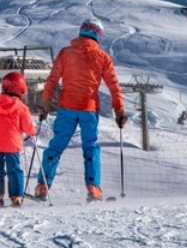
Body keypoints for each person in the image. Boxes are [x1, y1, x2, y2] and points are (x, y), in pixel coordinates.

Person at [35, 18, 127, 202]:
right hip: (89, 109)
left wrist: (45, 104)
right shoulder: (102, 57)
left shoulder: (66, 53)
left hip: (66, 107)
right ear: (98, 35)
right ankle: (93, 188)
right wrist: (119, 111)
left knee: (56, 146)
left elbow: (52, 80)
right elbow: (113, 86)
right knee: (90, 147)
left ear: (81, 31)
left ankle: (42, 186)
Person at [0, 71, 37, 207]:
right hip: (12, 145)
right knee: (14, 170)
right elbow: (28, 128)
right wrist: (33, 131)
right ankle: (16, 197)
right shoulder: (22, 108)